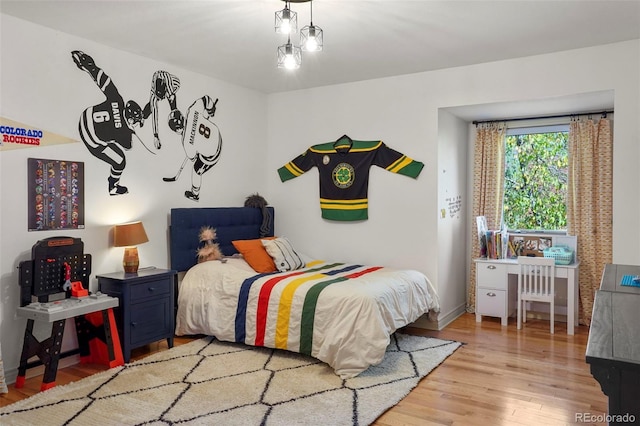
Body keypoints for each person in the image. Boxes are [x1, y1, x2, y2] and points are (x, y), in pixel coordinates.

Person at [72, 50, 145, 195]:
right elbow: (128, 146)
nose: (136, 124)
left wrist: (90, 67)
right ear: (130, 120)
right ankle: (113, 187)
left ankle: (86, 65)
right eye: (135, 122)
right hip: (91, 138)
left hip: (85, 116)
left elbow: (105, 82)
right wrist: (130, 130)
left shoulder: (118, 101)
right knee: (120, 161)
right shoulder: (124, 133)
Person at [166, 95, 222, 201]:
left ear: (176, 130)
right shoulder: (191, 111)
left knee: (197, 169)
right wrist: (211, 109)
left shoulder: (186, 142)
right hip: (217, 134)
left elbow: (193, 157)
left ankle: (195, 194)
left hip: (214, 153)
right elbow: (206, 99)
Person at [142, 70, 181, 149]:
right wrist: (155, 135)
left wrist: (171, 96)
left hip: (172, 81)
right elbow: (154, 115)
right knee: (152, 105)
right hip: (157, 79)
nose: (160, 99)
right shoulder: (154, 94)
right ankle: (143, 116)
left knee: (172, 99)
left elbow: (171, 93)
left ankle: (178, 121)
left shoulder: (169, 84)